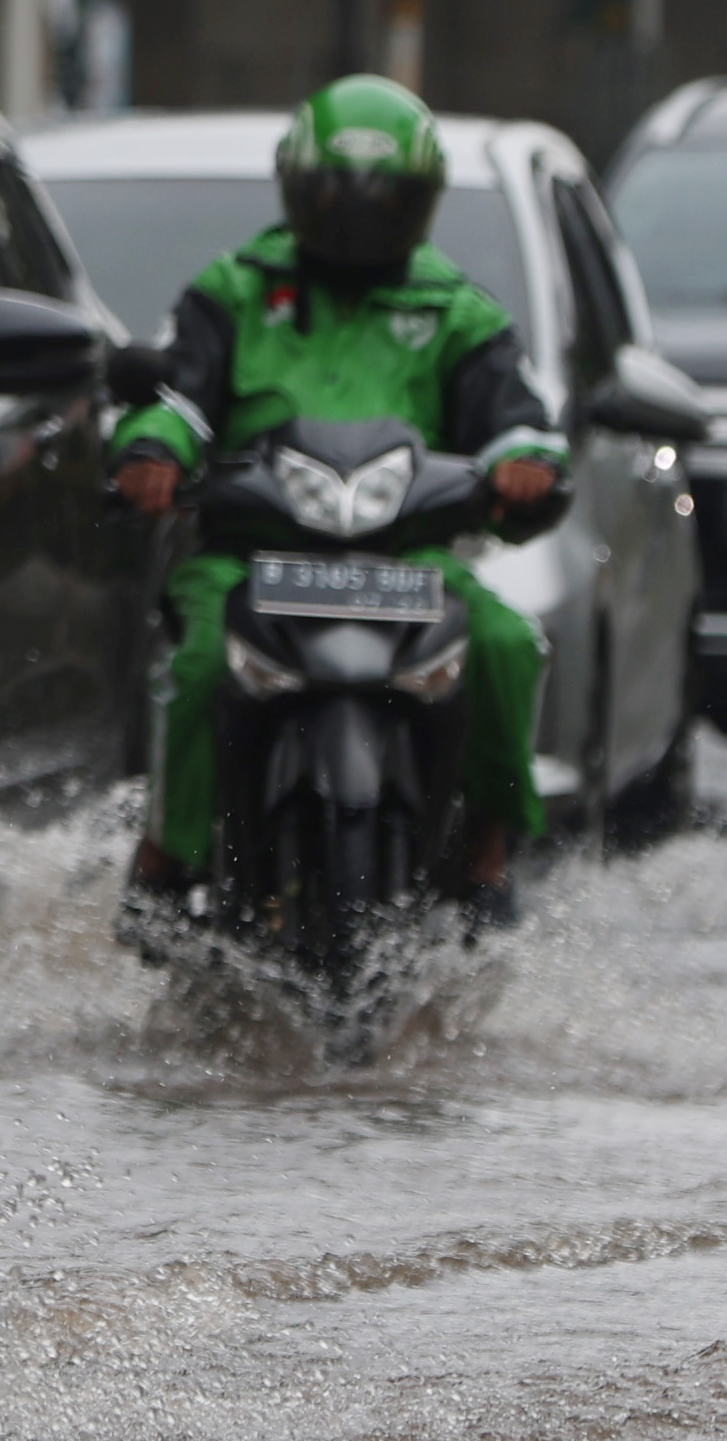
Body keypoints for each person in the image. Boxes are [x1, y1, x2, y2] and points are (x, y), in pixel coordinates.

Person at [108, 74, 568, 924]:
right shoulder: (235, 290)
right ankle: (167, 853)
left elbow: (517, 420)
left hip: (409, 562)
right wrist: (150, 451)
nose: (358, 215)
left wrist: (527, 464)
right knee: (202, 663)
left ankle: (486, 851)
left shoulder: (454, 310)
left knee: (503, 641)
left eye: (384, 198)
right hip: (246, 561)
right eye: (336, 193)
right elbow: (176, 399)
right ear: (296, 186)